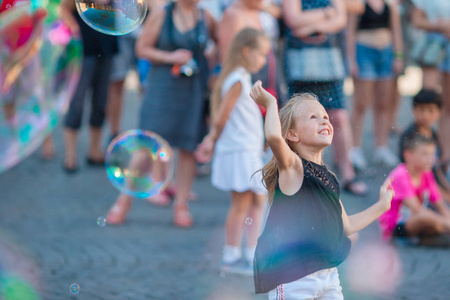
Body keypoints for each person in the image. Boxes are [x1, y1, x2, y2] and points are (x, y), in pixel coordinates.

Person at [249, 84, 394, 298]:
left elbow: (347, 226)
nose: (324, 120)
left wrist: (382, 205)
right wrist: (271, 104)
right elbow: (273, 137)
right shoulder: (294, 168)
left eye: (324, 116)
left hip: (328, 276)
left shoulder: (330, 176)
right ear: (292, 134)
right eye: (313, 117)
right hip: (293, 279)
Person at [105, 0, 215, 228]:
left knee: (188, 147)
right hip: (162, 87)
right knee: (146, 145)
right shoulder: (162, 14)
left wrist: (213, 67)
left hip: (192, 89)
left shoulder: (206, 17)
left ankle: (181, 205)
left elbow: (222, 42)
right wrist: (170, 57)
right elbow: (141, 48)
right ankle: (123, 202)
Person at [195, 28, 270, 275]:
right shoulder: (237, 80)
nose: (264, 60)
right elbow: (222, 116)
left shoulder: (242, 78)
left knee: (258, 200)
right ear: (246, 51)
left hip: (247, 150)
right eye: (261, 54)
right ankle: (231, 256)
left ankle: (250, 253)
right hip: (239, 151)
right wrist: (211, 140)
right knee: (242, 204)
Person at [282, 0, 367, 196]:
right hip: (300, 62)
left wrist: (311, 26)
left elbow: (341, 20)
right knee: (299, 119)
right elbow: (293, 20)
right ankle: (300, 175)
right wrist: (327, 14)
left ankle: (347, 173)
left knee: (338, 116)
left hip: (330, 61)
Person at [60, 0, 118, 173]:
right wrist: (73, 29)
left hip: (106, 48)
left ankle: (95, 150)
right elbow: (63, 8)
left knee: (101, 101)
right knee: (77, 101)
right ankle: (70, 155)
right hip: (83, 50)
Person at [347, 0, 403, 169]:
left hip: (385, 53)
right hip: (364, 52)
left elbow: (396, 31)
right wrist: (351, 59)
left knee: (383, 103)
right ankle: (355, 148)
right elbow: (350, 31)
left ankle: (382, 147)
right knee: (361, 103)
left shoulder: (389, 4)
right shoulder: (357, 4)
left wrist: (398, 56)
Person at [380, 132, 450, 245]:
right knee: (426, 216)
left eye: (432, 155)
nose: (430, 159)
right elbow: (418, 210)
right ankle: (427, 237)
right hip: (395, 228)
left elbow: (441, 206)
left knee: (434, 218)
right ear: (407, 155)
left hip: (416, 219)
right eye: (425, 154)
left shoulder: (426, 174)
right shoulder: (400, 175)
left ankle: (429, 238)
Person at [399, 89, 450, 203]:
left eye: (430, 110)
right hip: (418, 183)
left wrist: (446, 188)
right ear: (414, 110)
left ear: (439, 113)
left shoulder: (434, 134)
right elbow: (409, 170)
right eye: (421, 110)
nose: (425, 115)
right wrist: (443, 193)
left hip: (433, 180)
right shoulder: (409, 136)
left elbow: (437, 167)